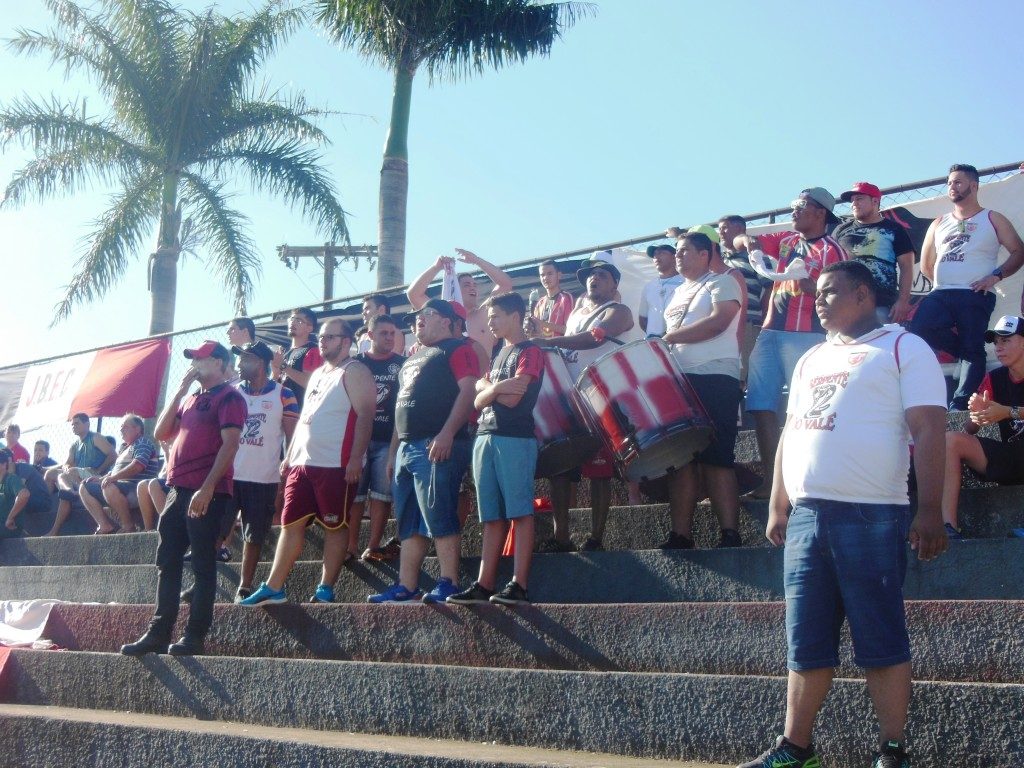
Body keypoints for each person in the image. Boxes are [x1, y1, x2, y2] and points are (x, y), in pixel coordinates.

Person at [740, 260, 948, 768]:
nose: (818, 300)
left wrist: (930, 511)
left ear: (861, 295)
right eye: (818, 293)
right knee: (805, 641)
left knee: (881, 638)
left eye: (830, 292)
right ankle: (796, 749)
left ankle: (892, 750)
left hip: (873, 515)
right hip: (808, 517)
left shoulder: (903, 347)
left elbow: (928, 430)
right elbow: (792, 431)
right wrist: (777, 502)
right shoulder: (812, 356)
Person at [121, 340, 245, 657]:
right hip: (177, 488)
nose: (195, 364)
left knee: (203, 564)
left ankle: (194, 635)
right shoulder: (190, 399)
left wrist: (207, 488)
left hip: (208, 490)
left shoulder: (230, 396)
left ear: (219, 362)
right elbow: (162, 432)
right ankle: (158, 633)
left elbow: (230, 444)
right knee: (168, 561)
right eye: (193, 359)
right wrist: (178, 391)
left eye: (201, 359)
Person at [241, 319, 375, 606]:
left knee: (335, 525)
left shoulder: (355, 370)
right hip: (302, 462)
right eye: (322, 337)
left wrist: (355, 457)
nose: (323, 341)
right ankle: (274, 587)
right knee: (290, 523)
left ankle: (326, 588)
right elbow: (304, 418)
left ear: (346, 340)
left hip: (335, 463)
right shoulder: (316, 375)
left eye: (330, 337)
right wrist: (289, 455)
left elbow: (365, 414)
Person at [733, 187, 848, 499]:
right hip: (770, 332)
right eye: (793, 206)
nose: (793, 211)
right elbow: (740, 240)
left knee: (807, 409)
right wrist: (750, 246)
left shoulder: (833, 250)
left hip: (808, 335)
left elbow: (839, 297)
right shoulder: (785, 239)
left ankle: (806, 477)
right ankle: (773, 482)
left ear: (821, 212)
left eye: (801, 206)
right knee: (761, 407)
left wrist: (806, 282)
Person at [368, 299, 481, 603]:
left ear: (446, 321)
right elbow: (400, 409)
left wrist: (447, 432)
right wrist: (393, 452)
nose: (418, 320)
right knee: (408, 520)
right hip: (406, 446)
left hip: (437, 443)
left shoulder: (458, 348)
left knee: (438, 510)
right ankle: (407, 585)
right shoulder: (412, 358)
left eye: (426, 315)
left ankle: (449, 581)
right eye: (416, 317)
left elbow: (469, 390)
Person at [449, 292, 544, 606]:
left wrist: (489, 390)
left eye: (495, 317)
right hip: (485, 435)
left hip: (514, 438)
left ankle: (520, 583)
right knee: (490, 515)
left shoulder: (530, 350)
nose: (489, 324)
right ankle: (484, 582)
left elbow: (515, 397)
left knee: (519, 511)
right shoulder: (499, 353)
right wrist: (494, 389)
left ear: (515, 316)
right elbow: (478, 399)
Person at [909, 163, 1024, 410]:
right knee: (919, 328)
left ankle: (960, 406)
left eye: (958, 182)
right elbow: (928, 264)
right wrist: (943, 281)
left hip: (975, 293)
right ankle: (965, 355)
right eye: (950, 183)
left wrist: (995, 276)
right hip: (941, 292)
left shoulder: (992, 218)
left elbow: (1018, 251)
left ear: (974, 185)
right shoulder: (939, 222)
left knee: (973, 347)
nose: (952, 187)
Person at [540, 257, 634, 551]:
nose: (594, 279)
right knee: (559, 466)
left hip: (602, 395)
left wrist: (552, 343)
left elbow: (595, 339)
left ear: (615, 284)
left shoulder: (620, 310)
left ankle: (596, 538)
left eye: (602, 275)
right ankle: (561, 537)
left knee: (600, 471)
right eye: (590, 276)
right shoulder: (576, 315)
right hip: (571, 396)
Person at [660, 232, 743, 549]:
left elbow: (719, 322)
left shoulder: (722, 282)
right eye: (677, 251)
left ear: (706, 253)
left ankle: (729, 533)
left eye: (685, 251)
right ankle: (680, 534)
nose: (678, 256)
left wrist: (669, 339)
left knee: (717, 456)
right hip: (680, 379)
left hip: (715, 377)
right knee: (681, 459)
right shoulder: (678, 291)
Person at [941, 315, 1024, 539]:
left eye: (1006, 340)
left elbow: (1007, 412)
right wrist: (977, 415)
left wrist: (1007, 411)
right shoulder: (993, 378)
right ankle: (948, 526)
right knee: (951, 440)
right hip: (1013, 459)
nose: (998, 347)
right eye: (996, 342)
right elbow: (969, 429)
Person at [229, 340, 299, 602]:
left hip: (264, 477)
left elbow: (292, 437)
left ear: (260, 363)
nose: (238, 363)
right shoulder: (232, 392)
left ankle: (244, 587)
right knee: (216, 529)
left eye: (244, 358)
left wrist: (287, 468)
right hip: (229, 475)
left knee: (254, 534)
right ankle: (206, 582)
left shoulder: (283, 394)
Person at [351, 314, 406, 562]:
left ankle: (372, 546)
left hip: (388, 439)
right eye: (384, 333)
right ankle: (350, 547)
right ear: (370, 336)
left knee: (382, 495)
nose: (389, 338)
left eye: (392, 333)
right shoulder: (355, 364)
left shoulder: (403, 364)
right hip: (358, 440)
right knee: (355, 495)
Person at [834, 182, 915, 324]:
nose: (854, 204)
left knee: (879, 345)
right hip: (845, 304)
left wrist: (903, 301)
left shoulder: (894, 229)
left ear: (875, 201)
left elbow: (907, 267)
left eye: (859, 199)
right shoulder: (841, 230)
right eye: (852, 200)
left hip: (881, 304)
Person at [406, 249, 513, 354]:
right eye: (467, 285)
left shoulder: (484, 314)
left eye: (474, 285)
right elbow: (413, 294)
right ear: (455, 288)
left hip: (479, 370)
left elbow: (505, 284)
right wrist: (436, 267)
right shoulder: (439, 316)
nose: (473, 288)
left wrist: (477, 261)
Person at [79, 414, 161, 534]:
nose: (121, 430)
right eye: (120, 427)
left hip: (136, 488)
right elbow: (115, 472)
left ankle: (128, 526)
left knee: (109, 486)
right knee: (84, 487)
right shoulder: (124, 448)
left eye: (125, 427)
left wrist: (112, 478)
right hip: (119, 486)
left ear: (137, 429)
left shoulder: (142, 443)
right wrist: (100, 478)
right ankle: (105, 525)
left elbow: (138, 466)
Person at [44, 413, 116, 536]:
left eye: (77, 423)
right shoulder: (74, 445)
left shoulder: (95, 438)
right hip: (77, 475)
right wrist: (66, 467)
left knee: (68, 474)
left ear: (87, 424)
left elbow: (113, 455)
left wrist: (99, 470)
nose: (73, 426)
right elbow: (67, 464)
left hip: (95, 475)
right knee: (51, 473)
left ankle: (73, 492)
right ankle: (49, 505)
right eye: (72, 424)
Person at [718, 214, 771, 381]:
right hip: (721, 325)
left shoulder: (756, 256)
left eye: (725, 227)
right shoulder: (719, 260)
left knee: (742, 376)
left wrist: (765, 320)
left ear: (740, 229)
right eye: (719, 229)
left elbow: (769, 288)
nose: (721, 232)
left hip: (748, 324)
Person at [272, 307, 323, 408]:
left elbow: (310, 383)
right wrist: (275, 373)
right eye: (291, 319)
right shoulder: (284, 354)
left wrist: (283, 366)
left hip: (301, 414)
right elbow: (272, 387)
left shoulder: (313, 350)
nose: (293, 322)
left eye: (298, 320)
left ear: (309, 328)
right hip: (281, 413)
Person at [2, 449, 52, 535]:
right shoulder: (5, 478)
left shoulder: (23, 467)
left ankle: (18, 529)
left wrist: (10, 516)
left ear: (8, 461)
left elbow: (21, 492)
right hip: (29, 501)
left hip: (41, 502)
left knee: (11, 500)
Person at [638, 244, 683, 338]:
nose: (656, 257)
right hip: (655, 344)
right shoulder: (649, 287)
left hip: (681, 341)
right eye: (654, 254)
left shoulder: (686, 282)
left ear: (674, 257)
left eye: (662, 253)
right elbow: (643, 319)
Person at [530, 259, 574, 339]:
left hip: (561, 349)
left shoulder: (566, 298)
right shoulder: (540, 303)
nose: (545, 278)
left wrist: (543, 324)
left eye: (550, 274)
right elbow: (538, 332)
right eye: (542, 275)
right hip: (542, 349)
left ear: (559, 275)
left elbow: (570, 330)